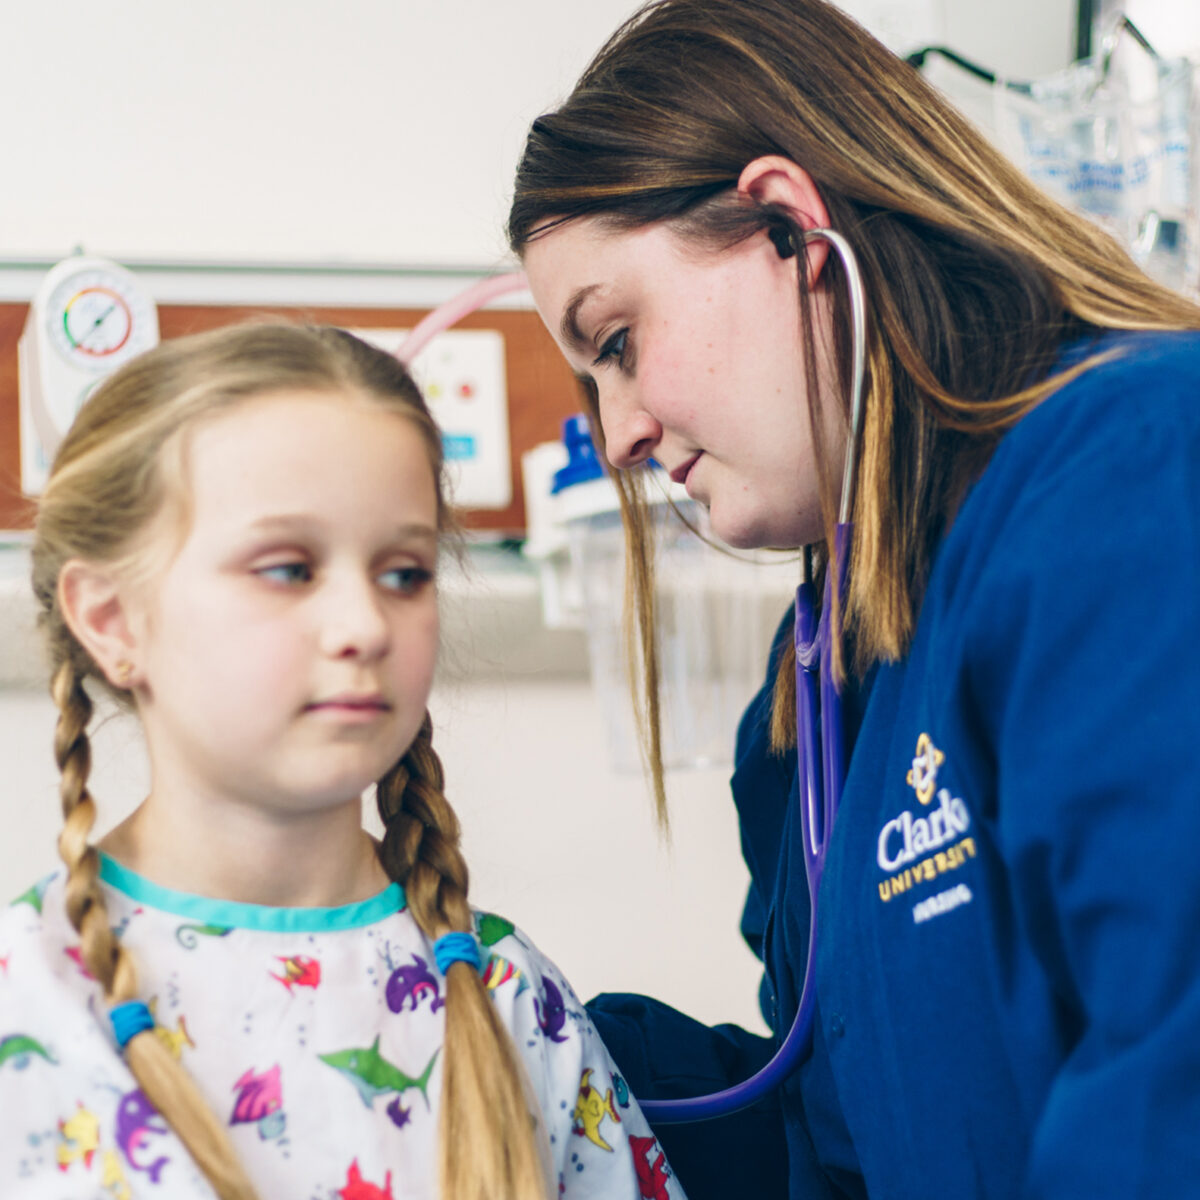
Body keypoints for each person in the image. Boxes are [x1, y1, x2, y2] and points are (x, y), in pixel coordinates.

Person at [505, 1, 1200, 1197]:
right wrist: (529, 1046)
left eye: (615, 339)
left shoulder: (1135, 474)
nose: (615, 433)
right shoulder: (818, 692)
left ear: (787, 224)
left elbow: (1171, 1077)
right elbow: (831, 1146)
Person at [0, 323, 686, 1200]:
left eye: (404, 573)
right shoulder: (32, 996)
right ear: (112, 620)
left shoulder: (509, 997)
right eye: (289, 569)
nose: (364, 626)